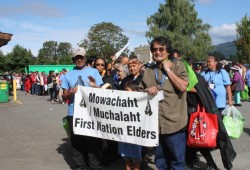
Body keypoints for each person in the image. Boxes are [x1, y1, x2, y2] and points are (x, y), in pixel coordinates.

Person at [138, 36, 188, 170]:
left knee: (177, 162)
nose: (158, 52)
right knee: (161, 162)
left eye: (161, 49)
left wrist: (168, 70)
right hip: (155, 125)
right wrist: (147, 90)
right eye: (154, 49)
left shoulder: (178, 65)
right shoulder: (148, 70)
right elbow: (138, 93)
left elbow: (183, 87)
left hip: (174, 125)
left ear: (168, 52)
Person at [61, 47, 103, 170]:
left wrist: (95, 86)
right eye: (76, 57)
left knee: (93, 142)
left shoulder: (94, 72)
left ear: (85, 58)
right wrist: (71, 93)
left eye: (81, 57)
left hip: (91, 113)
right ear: (73, 59)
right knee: (77, 144)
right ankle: (80, 167)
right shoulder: (67, 75)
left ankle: (95, 166)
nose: (79, 59)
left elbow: (101, 93)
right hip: (73, 113)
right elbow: (64, 97)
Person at [118, 80, 142, 170]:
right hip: (124, 134)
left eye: (127, 90)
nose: (125, 92)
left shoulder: (140, 104)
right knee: (126, 157)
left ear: (135, 90)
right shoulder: (122, 102)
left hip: (135, 135)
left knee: (136, 158)